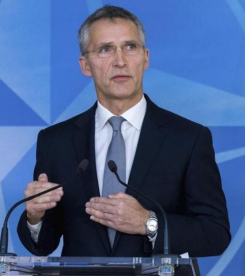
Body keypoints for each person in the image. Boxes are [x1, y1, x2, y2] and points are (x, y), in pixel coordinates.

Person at [17, 5, 230, 258]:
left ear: (146, 58)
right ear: (85, 65)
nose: (120, 61)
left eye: (130, 47)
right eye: (105, 49)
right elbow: (43, 245)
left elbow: (215, 234)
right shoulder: (56, 141)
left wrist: (147, 223)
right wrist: (35, 215)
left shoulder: (189, 138)